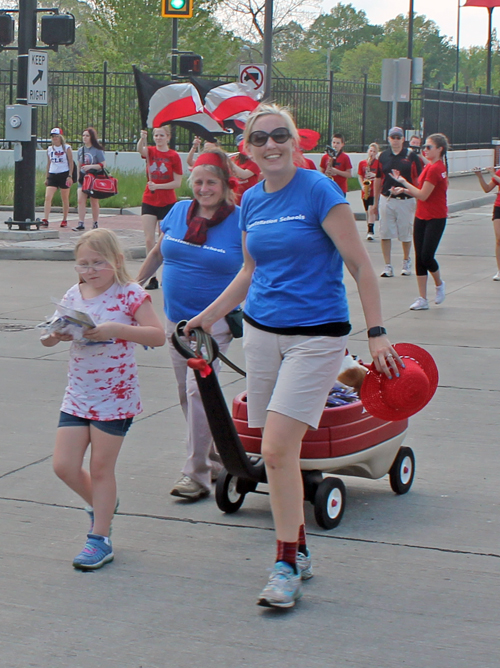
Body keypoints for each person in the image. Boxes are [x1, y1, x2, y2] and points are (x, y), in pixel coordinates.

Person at [184, 104, 401, 609]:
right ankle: (296, 546)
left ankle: (285, 565)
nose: (271, 145)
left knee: (279, 450)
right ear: (249, 149)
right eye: (260, 138)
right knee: (276, 452)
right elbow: (248, 273)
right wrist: (202, 317)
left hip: (316, 337)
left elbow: (360, 266)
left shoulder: (318, 190)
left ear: (295, 142)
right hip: (262, 335)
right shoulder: (252, 201)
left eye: (280, 135)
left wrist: (377, 333)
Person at [40, 229, 165, 570]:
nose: (90, 270)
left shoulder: (131, 295)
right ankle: (103, 506)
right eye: (83, 264)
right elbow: (52, 336)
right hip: (78, 393)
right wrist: (55, 335)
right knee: (63, 465)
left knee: (100, 468)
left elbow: (158, 336)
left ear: (117, 261)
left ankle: (100, 538)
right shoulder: (74, 293)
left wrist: (116, 329)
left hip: (115, 396)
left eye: (98, 262)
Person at [136, 148, 243, 501]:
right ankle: (213, 457)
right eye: (197, 181)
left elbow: (253, 271)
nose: (203, 188)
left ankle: (195, 475)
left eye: (211, 181)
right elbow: (157, 253)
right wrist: (135, 289)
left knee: (199, 393)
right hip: (175, 320)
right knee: (188, 395)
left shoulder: (239, 220)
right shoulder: (180, 211)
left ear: (225, 184)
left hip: (213, 325)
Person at [391, 134, 448, 310]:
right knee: (419, 257)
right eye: (425, 146)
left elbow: (423, 194)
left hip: (436, 217)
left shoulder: (436, 168)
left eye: (429, 147)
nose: (425, 149)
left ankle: (439, 284)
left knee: (427, 256)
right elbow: (420, 191)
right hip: (421, 215)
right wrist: (404, 188)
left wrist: (404, 183)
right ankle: (422, 298)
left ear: (440, 149)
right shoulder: (429, 167)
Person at [137, 126, 183, 290]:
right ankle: (152, 277)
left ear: (168, 137)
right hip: (149, 199)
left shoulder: (173, 156)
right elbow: (140, 150)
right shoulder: (150, 152)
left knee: (164, 240)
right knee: (149, 239)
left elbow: (177, 183)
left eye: (161, 135)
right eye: (156, 135)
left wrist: (159, 186)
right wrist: (142, 138)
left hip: (167, 201)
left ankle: (168, 274)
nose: (158, 138)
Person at [373, 126, 423, 278]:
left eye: (398, 137)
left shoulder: (411, 156)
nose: (395, 140)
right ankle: (387, 265)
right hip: (387, 198)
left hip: (405, 199)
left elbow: (419, 179)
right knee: (385, 232)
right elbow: (378, 178)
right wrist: (375, 203)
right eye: (392, 137)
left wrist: (411, 192)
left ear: (403, 139)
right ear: (388, 139)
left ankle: (406, 261)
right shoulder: (383, 156)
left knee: (405, 233)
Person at [73, 128, 106, 232]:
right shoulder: (80, 150)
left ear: (91, 137)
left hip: (94, 178)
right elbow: (79, 165)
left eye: (87, 136)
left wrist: (91, 166)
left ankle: (95, 222)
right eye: (83, 135)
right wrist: (78, 176)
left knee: (94, 201)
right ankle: (81, 222)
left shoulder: (97, 150)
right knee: (80, 200)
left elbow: (102, 165)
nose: (85, 138)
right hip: (84, 178)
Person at [41, 128, 74, 229]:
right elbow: (49, 163)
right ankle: (45, 219)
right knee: (48, 197)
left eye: (56, 136)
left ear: (60, 137)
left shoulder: (66, 148)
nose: (55, 138)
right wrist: (47, 177)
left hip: (63, 174)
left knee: (64, 198)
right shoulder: (50, 149)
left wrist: (70, 176)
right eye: (53, 136)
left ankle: (64, 219)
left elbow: (71, 162)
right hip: (53, 173)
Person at [473, 165, 500, 280]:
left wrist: (493, 174)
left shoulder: (496, 174)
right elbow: (487, 188)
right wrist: (480, 176)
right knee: (499, 239)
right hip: (499, 206)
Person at [357, 143, 380, 241]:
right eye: (371, 151)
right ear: (368, 151)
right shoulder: (362, 163)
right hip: (366, 190)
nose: (372, 153)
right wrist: (363, 185)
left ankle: (371, 231)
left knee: (371, 210)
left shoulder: (379, 163)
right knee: (367, 211)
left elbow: (381, 176)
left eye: (374, 151)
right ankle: (369, 227)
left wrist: (374, 175)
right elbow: (360, 175)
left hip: (374, 190)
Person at [229, 140, 261, 205]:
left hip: (250, 199)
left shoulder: (254, 162)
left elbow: (243, 175)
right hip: (235, 199)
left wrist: (229, 162)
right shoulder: (234, 159)